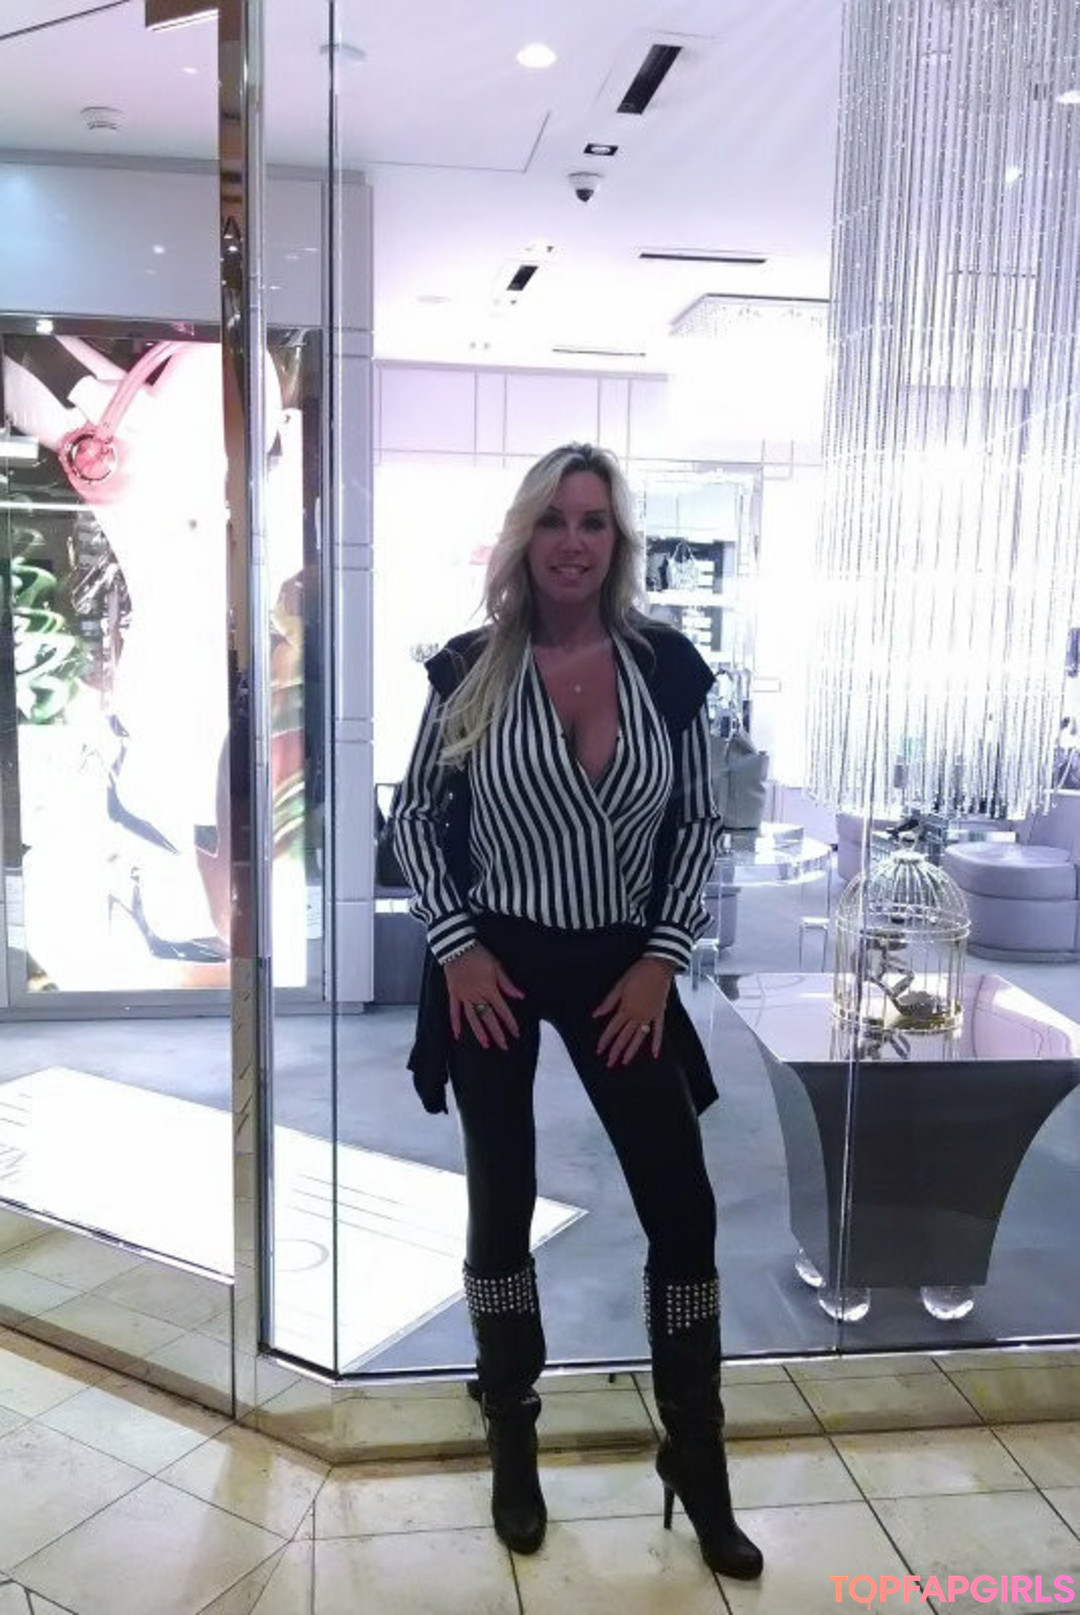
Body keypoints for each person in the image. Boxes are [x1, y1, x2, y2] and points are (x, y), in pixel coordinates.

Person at [392, 443, 762, 1580]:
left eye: (594, 521)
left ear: (618, 541)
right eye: (553, 520)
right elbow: (414, 819)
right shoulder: (470, 670)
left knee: (683, 1210)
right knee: (500, 1202)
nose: (572, 541)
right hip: (495, 963)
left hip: (622, 968)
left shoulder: (667, 669)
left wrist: (661, 957)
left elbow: (696, 822)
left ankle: (694, 1453)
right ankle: (511, 1431)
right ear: (524, 537)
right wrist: (457, 948)